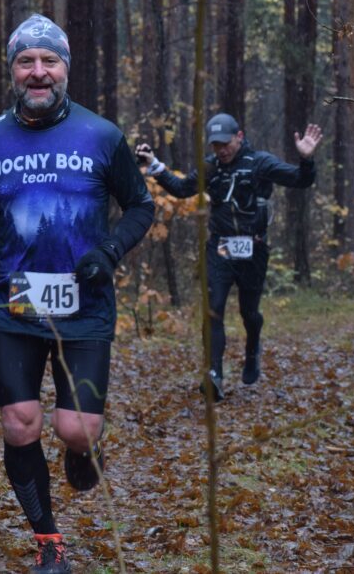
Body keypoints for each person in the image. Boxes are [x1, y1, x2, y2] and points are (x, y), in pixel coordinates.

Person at [0, 13, 153, 574]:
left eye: (49, 61)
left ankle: (85, 448)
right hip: (14, 304)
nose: (38, 72)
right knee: (20, 422)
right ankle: (49, 543)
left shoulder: (102, 136)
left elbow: (140, 206)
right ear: (12, 71)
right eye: (26, 62)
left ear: (65, 68)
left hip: (85, 306)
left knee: (75, 429)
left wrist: (109, 252)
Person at [135, 114, 323, 401]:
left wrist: (306, 159)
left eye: (225, 143)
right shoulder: (211, 168)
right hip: (220, 248)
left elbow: (301, 180)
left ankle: (252, 346)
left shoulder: (260, 163)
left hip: (253, 249)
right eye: (216, 145)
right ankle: (213, 374)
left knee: (249, 312)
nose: (221, 150)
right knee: (214, 309)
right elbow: (182, 189)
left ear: (239, 137)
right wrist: (154, 164)